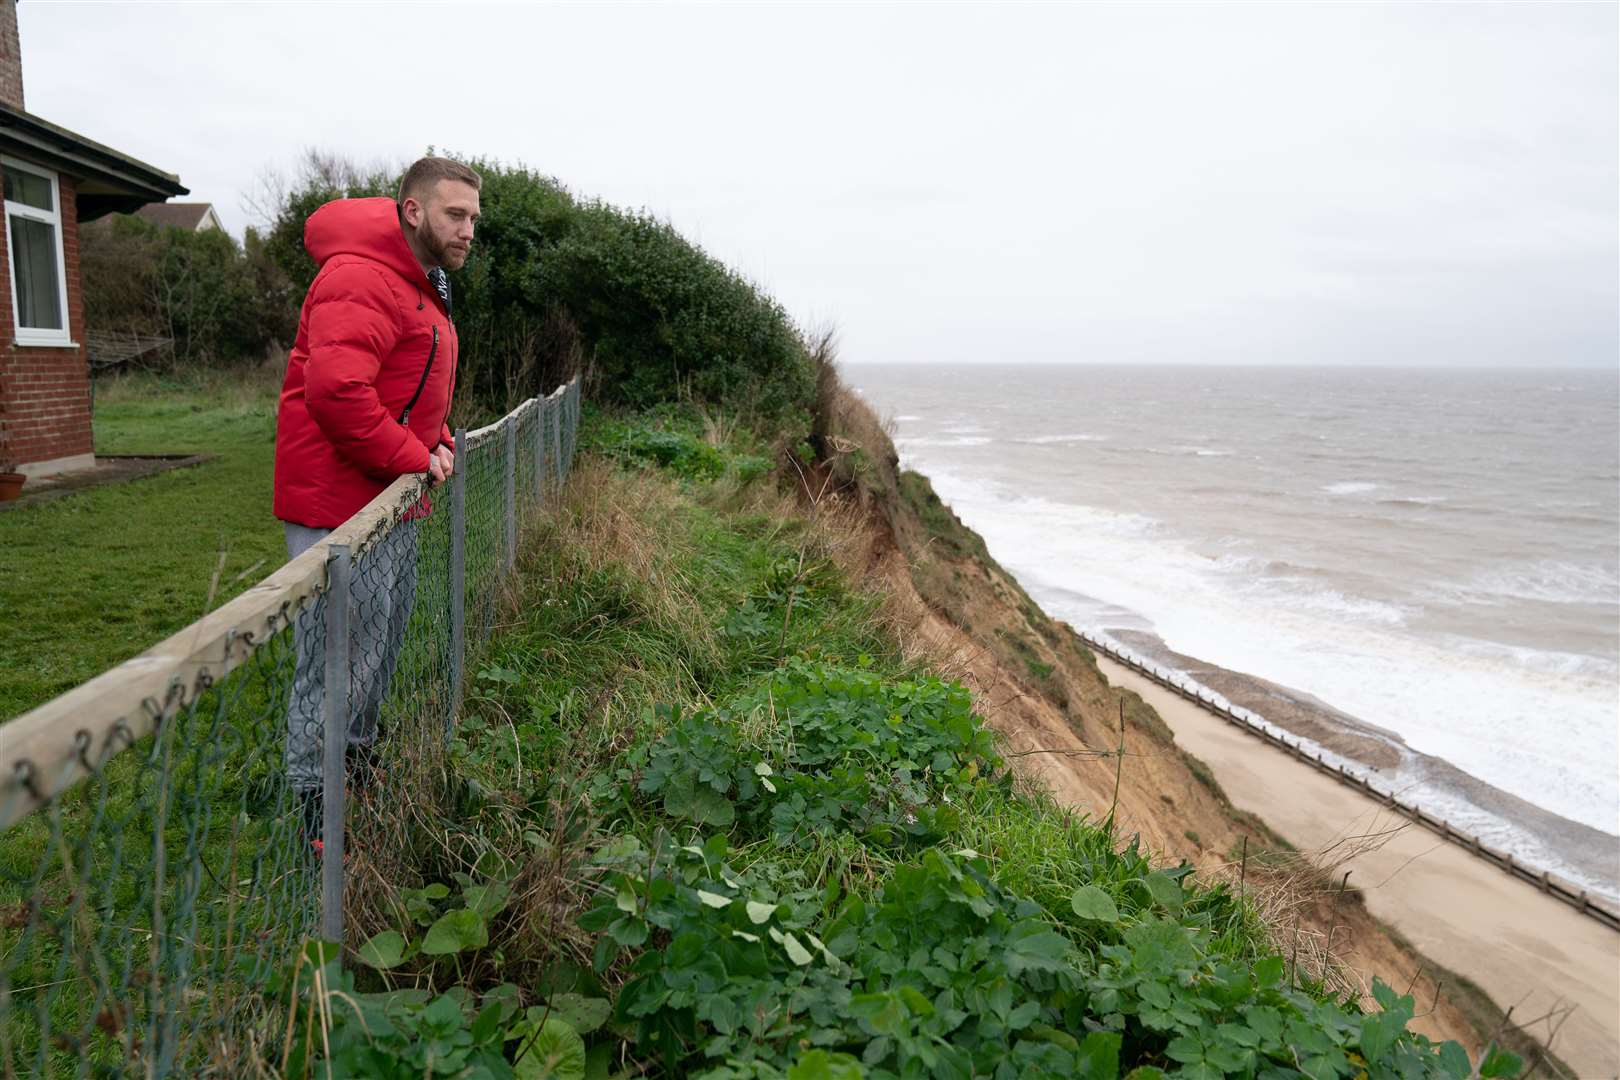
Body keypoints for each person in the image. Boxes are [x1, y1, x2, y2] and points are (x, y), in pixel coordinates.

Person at [272, 156, 481, 843]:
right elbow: (337, 393)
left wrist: (437, 438)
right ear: (414, 211)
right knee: (338, 655)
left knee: (376, 646)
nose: (468, 229)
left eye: (474, 217)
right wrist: (415, 457)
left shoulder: (421, 281)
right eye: (456, 214)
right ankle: (312, 799)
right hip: (337, 502)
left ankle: (354, 763)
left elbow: (408, 381)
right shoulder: (361, 274)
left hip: (384, 497)